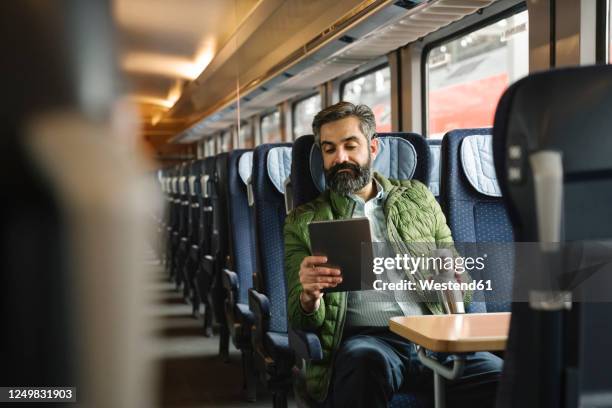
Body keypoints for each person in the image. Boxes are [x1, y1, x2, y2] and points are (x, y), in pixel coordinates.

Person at [284, 101, 502, 407]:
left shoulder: (419, 197)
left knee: (507, 378)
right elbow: (299, 318)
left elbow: (461, 291)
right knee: (363, 363)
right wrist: (310, 295)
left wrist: (454, 278)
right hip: (371, 341)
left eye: (350, 145)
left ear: (372, 148)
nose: (340, 158)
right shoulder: (303, 220)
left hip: (434, 337)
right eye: (329, 149)